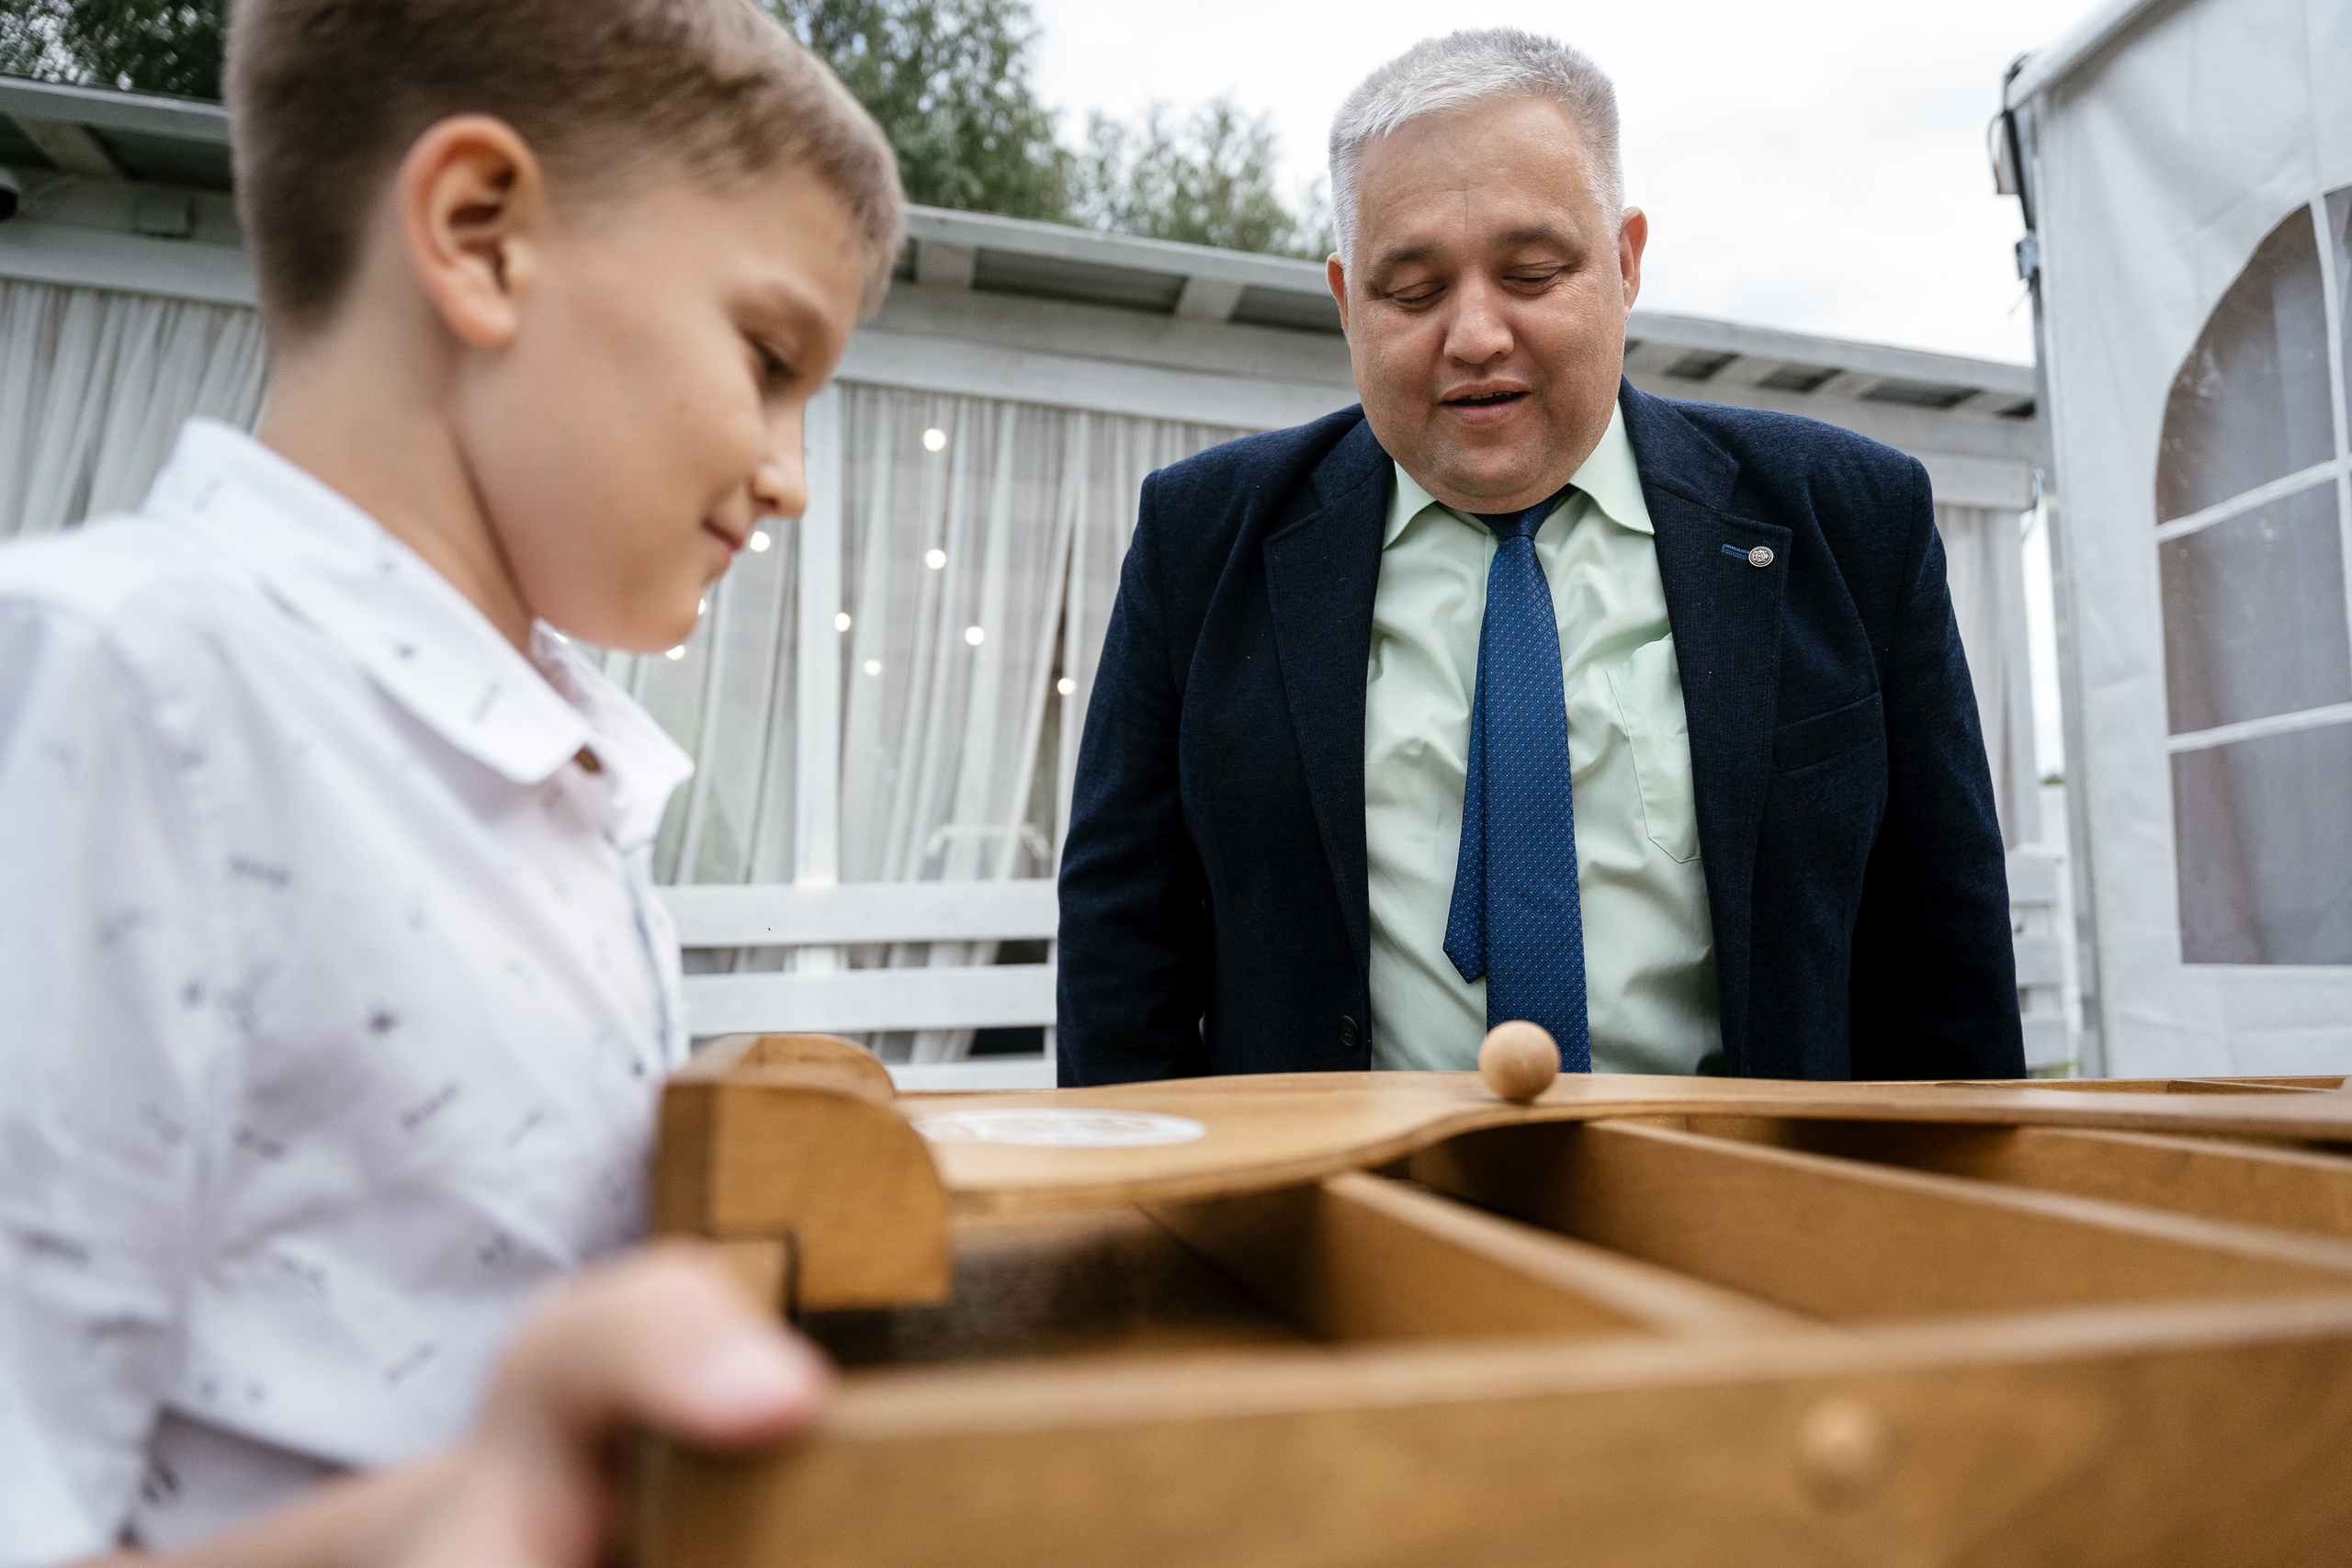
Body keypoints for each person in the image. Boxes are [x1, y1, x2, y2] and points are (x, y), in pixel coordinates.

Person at [0, 0, 901, 1561]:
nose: (791, 475)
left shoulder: (548, 762)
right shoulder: (112, 677)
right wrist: (483, 1492)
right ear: (481, 237)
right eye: (768, 358)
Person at [1057, 28, 2024, 1087]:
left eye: (1530, 272)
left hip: (1744, 1222)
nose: (1473, 335)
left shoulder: (1851, 520)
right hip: (1342, 1227)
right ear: (1344, 302)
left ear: (1623, 260)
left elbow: (1945, 955)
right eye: (1411, 292)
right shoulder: (1200, 542)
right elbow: (1122, 956)